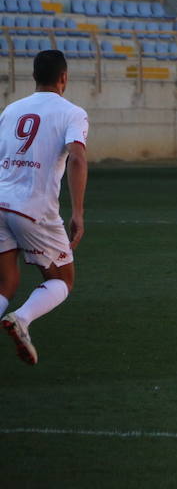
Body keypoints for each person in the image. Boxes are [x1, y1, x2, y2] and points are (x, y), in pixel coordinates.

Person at [0, 50, 89, 365]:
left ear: (34, 76)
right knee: (62, 279)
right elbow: (77, 157)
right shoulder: (72, 112)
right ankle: (21, 319)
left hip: (0, 202)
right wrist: (77, 212)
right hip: (33, 207)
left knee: (6, 281)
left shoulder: (11, 110)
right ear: (63, 78)